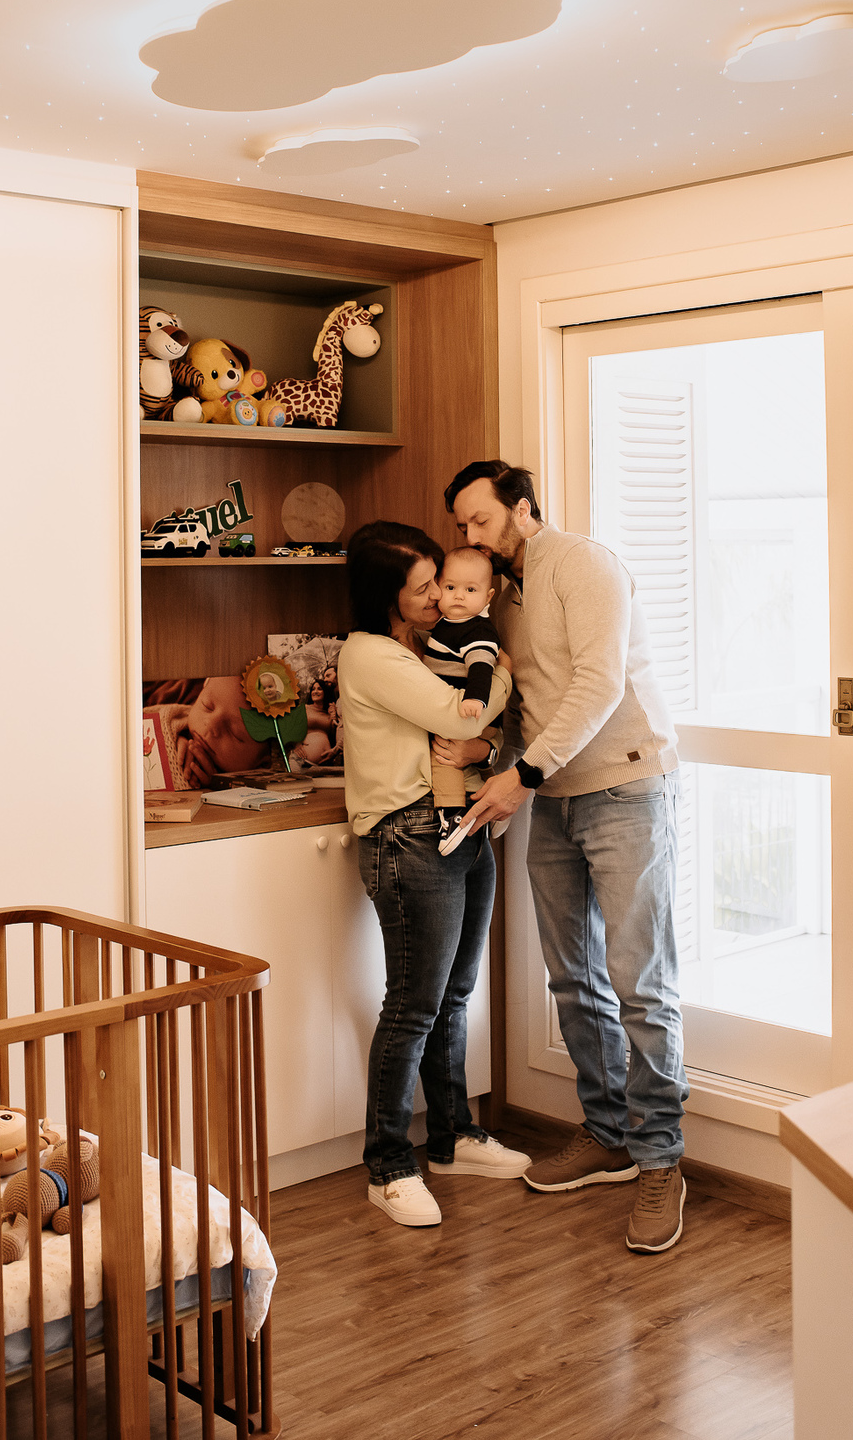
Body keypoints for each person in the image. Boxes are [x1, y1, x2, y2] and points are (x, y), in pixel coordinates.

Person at [448, 460, 688, 1255]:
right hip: (552, 798)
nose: (471, 536)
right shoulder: (502, 598)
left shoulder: (584, 565)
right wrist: (496, 760)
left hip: (625, 789)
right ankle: (608, 1134)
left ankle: (660, 1160)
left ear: (521, 508)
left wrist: (520, 776)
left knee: (640, 982)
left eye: (480, 520)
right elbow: (528, 704)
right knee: (573, 978)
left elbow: (597, 684)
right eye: (462, 526)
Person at [338, 520, 531, 1227]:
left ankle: (452, 1138)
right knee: (413, 1006)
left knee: (454, 996)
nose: (439, 597)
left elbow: (473, 735)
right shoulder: (371, 654)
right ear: (385, 594)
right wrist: (504, 668)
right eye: (423, 587)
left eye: (440, 583)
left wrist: (482, 740)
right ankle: (389, 1166)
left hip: (462, 825)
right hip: (409, 834)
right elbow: (459, 713)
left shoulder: (425, 646)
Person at [423, 548, 502, 845]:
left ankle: (452, 814)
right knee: (467, 763)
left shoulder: (478, 630)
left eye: (470, 590)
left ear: (488, 596)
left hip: (470, 713)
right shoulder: (448, 625)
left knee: (443, 758)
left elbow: (481, 665)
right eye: (450, 587)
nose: (458, 596)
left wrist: (475, 699)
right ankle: (489, 799)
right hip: (462, 713)